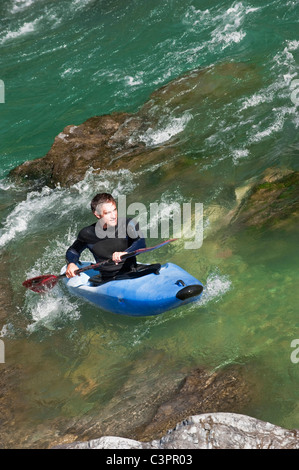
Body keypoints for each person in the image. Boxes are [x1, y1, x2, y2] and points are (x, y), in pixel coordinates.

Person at [65, 193, 159, 285]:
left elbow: (140, 242)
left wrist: (126, 252)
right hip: (107, 278)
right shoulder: (88, 233)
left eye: (114, 210)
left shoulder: (128, 224)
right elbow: (73, 251)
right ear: (97, 214)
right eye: (107, 213)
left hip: (132, 270)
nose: (113, 216)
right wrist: (71, 263)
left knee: (156, 267)